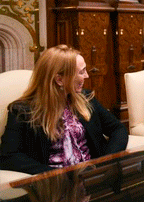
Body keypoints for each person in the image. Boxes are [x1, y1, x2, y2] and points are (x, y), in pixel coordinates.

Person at [0, 45, 128, 175]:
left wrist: (105, 162)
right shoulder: (22, 111)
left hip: (93, 179)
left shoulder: (86, 99)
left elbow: (118, 129)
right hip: (53, 187)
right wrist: (56, 175)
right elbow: (8, 156)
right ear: (59, 79)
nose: (87, 76)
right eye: (81, 72)